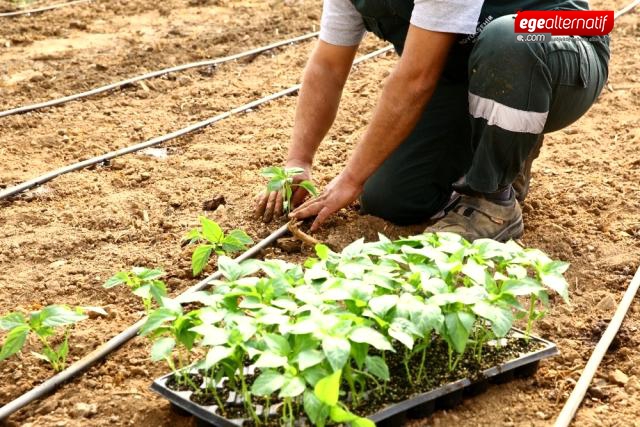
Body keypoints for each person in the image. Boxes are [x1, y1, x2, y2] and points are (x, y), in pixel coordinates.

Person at [255, 0, 610, 241]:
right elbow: (328, 65)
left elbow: (415, 79)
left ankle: (493, 198)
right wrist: (298, 162)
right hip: (466, 69)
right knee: (392, 198)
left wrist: (349, 179)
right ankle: (496, 144)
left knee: (510, 38)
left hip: (559, 39)